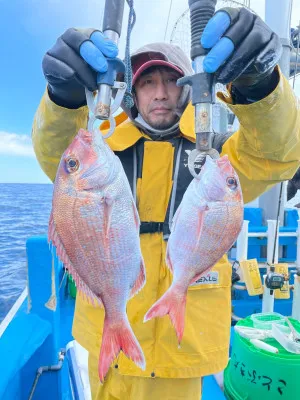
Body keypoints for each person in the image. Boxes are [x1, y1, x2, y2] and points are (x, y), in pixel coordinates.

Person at [32, 7, 300, 400]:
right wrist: (63, 99)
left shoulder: (214, 156)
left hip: (183, 349)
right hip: (110, 342)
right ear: (133, 93)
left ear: (189, 87)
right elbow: (58, 155)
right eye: (148, 83)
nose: (160, 93)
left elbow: (278, 153)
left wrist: (259, 88)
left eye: (172, 80)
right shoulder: (103, 149)